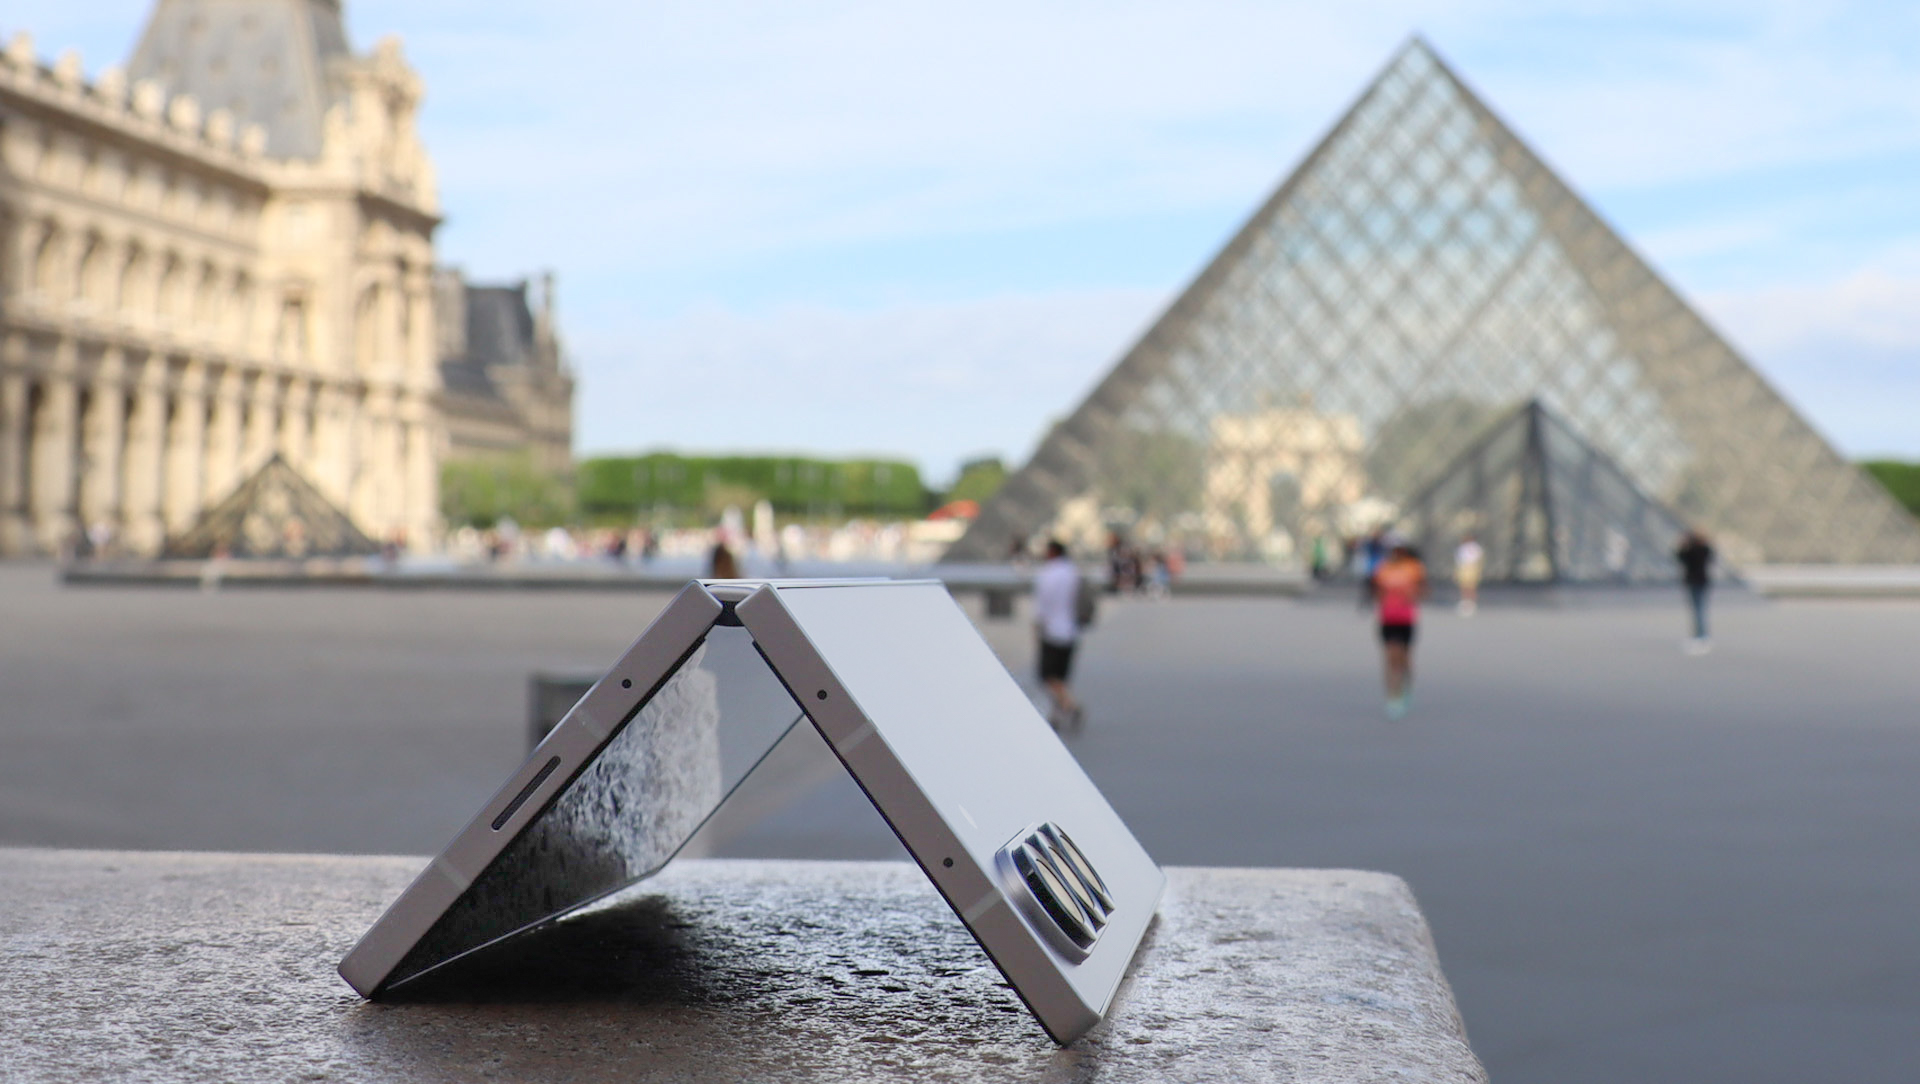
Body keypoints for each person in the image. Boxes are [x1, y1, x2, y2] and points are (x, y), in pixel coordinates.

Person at [1372, 539, 1428, 720]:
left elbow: (1423, 591)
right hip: (1388, 618)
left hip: (1406, 618)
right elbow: (1376, 591)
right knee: (1390, 657)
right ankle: (1392, 696)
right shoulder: (1383, 569)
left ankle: (1405, 689)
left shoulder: (1414, 568)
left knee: (1404, 658)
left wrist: (1412, 595)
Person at [1032, 539, 1084, 730]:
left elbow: (1041, 605)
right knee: (1061, 676)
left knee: (1047, 676)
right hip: (1071, 629)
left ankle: (1070, 705)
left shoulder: (1048, 574)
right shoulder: (1073, 572)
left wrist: (1036, 628)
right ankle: (1056, 714)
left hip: (1052, 630)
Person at [1675, 529, 1714, 653]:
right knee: (1699, 609)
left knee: (1697, 610)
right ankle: (1701, 635)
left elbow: (1681, 558)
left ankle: (1700, 636)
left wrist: (1683, 546)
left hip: (1694, 582)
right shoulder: (1705, 549)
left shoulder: (1693, 550)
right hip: (1702, 581)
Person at [1454, 534, 1484, 616]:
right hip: (1464, 567)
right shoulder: (1462, 547)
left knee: (1471, 586)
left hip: (1472, 567)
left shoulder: (1475, 547)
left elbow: (1478, 558)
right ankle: (1465, 601)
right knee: (1464, 585)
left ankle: (1471, 602)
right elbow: (1459, 559)